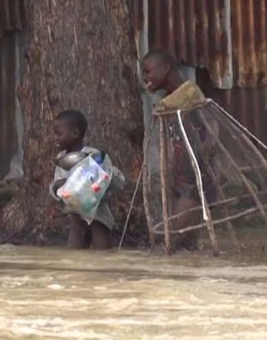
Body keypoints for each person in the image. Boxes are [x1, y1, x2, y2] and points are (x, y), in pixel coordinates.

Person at [141, 47, 217, 249]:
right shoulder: (172, 99)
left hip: (195, 180)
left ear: (166, 68)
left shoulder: (188, 93)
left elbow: (210, 131)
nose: (145, 77)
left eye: (148, 71)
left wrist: (201, 163)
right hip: (182, 178)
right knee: (186, 243)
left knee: (172, 239)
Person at [50, 110, 124, 249]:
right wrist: (56, 188)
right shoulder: (61, 159)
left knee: (102, 250)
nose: (55, 138)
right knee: (74, 252)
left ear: (75, 134)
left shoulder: (93, 156)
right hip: (76, 216)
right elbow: (58, 186)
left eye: (59, 134)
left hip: (98, 215)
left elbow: (110, 178)